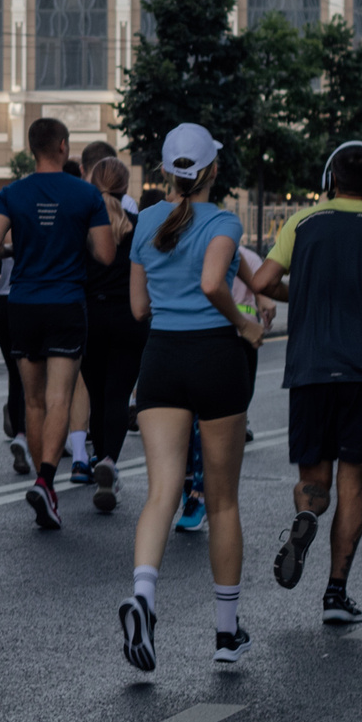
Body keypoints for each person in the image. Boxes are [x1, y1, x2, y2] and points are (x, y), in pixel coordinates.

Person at [249, 143, 362, 628]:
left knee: (316, 480)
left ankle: (306, 516)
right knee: (354, 480)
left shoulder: (301, 223)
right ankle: (335, 592)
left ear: (330, 179)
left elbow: (264, 281)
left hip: (310, 367)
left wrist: (303, 295)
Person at [118, 123, 259, 673]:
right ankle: (226, 633)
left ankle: (145, 597)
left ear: (167, 172)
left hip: (161, 360)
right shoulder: (224, 221)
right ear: (212, 171)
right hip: (215, 359)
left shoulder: (146, 221)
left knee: (161, 493)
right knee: (221, 500)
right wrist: (244, 324)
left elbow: (137, 310)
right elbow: (211, 283)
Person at [0, 116, 115, 529]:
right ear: (62, 147)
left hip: (23, 303)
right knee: (60, 399)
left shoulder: (11, 193)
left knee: (33, 400)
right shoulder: (85, 194)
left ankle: (46, 485)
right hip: (66, 302)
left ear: (30, 148)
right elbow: (106, 255)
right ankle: (46, 479)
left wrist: (19, 247)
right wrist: (76, 241)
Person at [75, 155, 144, 515]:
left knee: (98, 396)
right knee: (118, 394)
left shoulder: (82, 225)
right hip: (128, 317)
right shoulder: (137, 225)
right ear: (125, 186)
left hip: (89, 316)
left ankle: (99, 455)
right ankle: (110, 462)